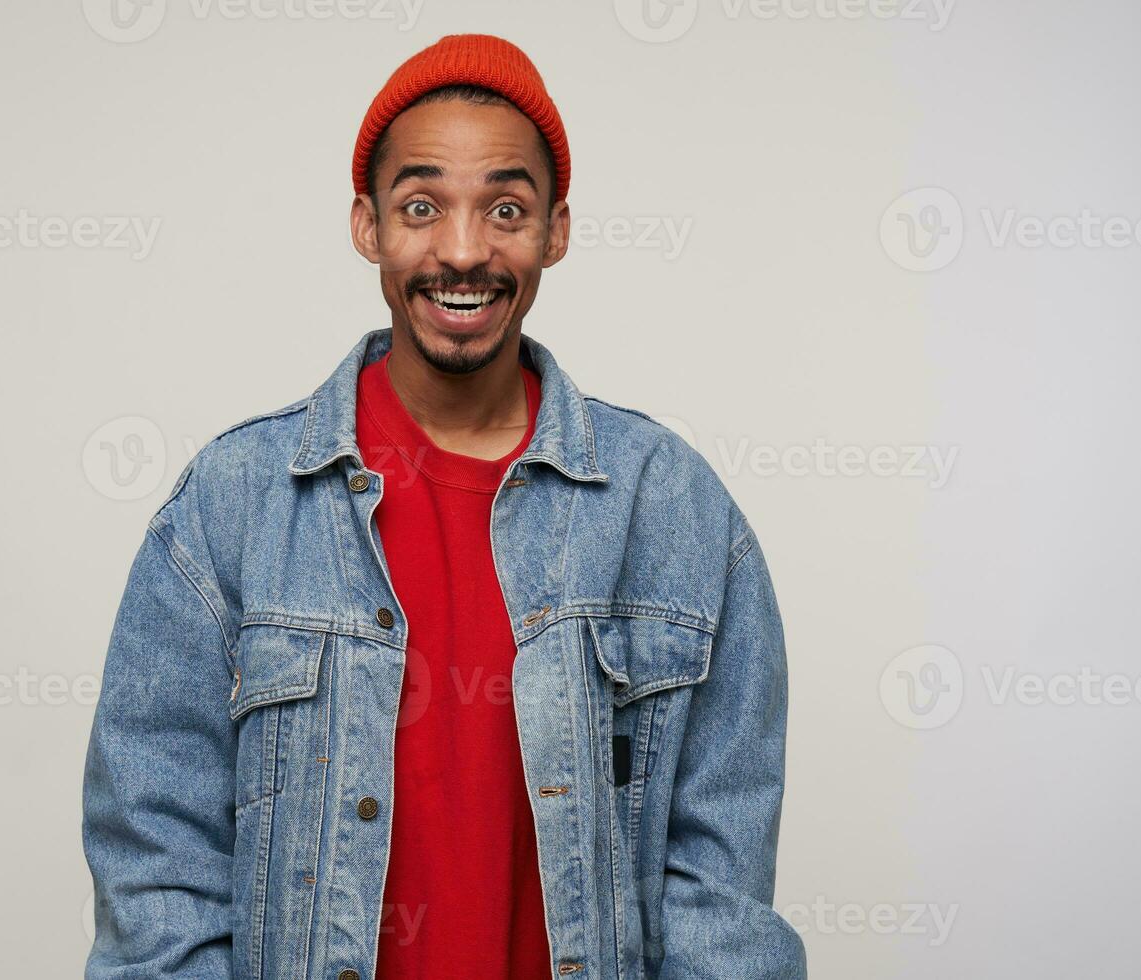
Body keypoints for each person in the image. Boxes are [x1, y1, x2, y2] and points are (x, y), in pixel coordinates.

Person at [83, 32, 806, 980]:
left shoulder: (670, 508)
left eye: (505, 208)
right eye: (421, 206)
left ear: (556, 230)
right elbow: (157, 867)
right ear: (368, 226)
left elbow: (721, 893)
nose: (463, 251)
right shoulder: (231, 506)